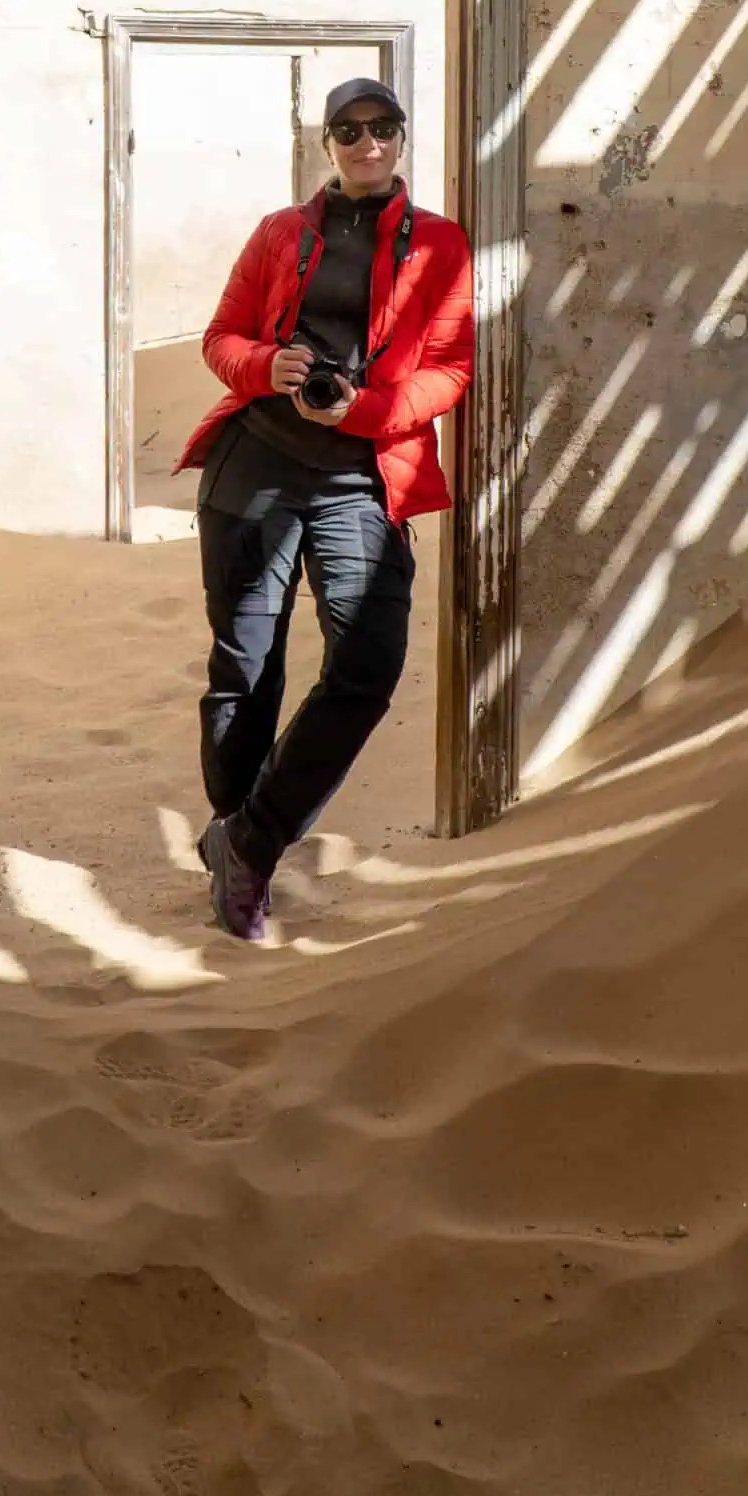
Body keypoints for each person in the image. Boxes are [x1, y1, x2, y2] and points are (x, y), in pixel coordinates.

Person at [176, 78, 475, 940]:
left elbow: (451, 367)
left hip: (365, 475)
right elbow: (222, 338)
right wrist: (264, 366)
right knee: (245, 665)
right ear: (328, 144)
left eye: (382, 127)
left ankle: (247, 840)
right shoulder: (281, 231)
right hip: (254, 465)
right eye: (348, 130)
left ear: (403, 137)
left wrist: (362, 410)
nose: (366, 143)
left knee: (368, 665)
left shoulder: (440, 243)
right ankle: (243, 856)